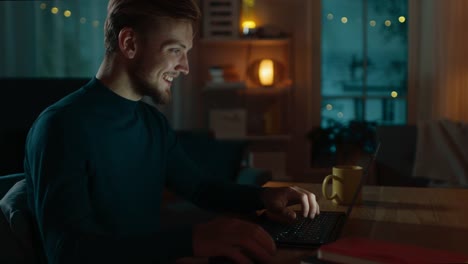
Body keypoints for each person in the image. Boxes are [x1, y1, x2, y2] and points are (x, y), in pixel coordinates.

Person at [24, 0, 320, 263]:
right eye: (175, 50)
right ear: (129, 43)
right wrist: (192, 240)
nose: (185, 66)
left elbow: (200, 188)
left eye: (186, 52)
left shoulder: (152, 123)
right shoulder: (61, 127)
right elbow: (66, 252)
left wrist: (264, 198)